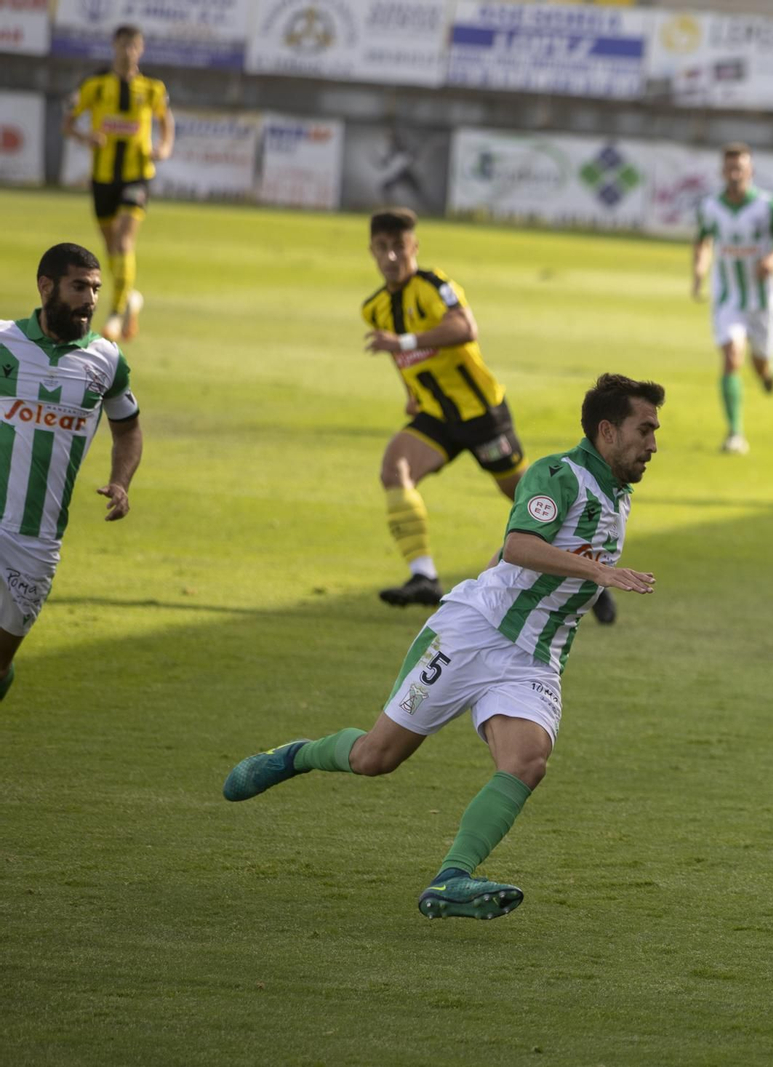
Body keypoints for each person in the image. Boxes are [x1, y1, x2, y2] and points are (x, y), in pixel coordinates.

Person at [223, 374, 663, 920]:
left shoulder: (618, 497)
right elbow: (518, 545)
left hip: (533, 659)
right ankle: (295, 755)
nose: (653, 444)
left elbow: (506, 556)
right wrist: (601, 575)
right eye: (644, 430)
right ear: (608, 431)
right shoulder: (558, 474)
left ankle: (452, 877)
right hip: (472, 636)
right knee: (376, 758)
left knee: (527, 762)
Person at [357, 207, 617, 623]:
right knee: (395, 468)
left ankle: (589, 573)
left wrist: (403, 341)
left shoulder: (435, 286)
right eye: (382, 247)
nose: (390, 256)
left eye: (399, 247)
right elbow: (399, 356)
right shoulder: (375, 308)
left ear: (414, 247)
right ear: (371, 250)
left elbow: (464, 328)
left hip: (481, 414)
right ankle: (423, 576)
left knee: (531, 500)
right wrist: (411, 392)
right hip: (436, 416)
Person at [0, 244, 144, 701]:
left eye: (96, 289)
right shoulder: (3, 341)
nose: (90, 299)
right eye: (79, 286)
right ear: (46, 286)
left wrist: (121, 481)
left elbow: (128, 430)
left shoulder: (107, 360)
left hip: (35, 538)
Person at [62, 24, 174, 344]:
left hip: (137, 174)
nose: (128, 51)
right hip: (103, 177)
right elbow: (67, 123)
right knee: (113, 249)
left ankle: (115, 312)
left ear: (141, 49)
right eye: (124, 44)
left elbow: (166, 120)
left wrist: (164, 147)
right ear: (114, 46)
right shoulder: (95, 86)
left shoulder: (152, 88)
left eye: (134, 46)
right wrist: (86, 137)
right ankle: (131, 298)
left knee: (124, 243)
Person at [691, 143, 773, 455]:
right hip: (728, 298)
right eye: (730, 168)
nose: (735, 174)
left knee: (760, 363)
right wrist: (699, 270)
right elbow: (702, 241)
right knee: (731, 357)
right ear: (722, 171)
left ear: (750, 171)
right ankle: (735, 433)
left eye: (740, 168)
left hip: (762, 299)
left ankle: (768, 372)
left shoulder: (767, 206)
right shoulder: (710, 206)